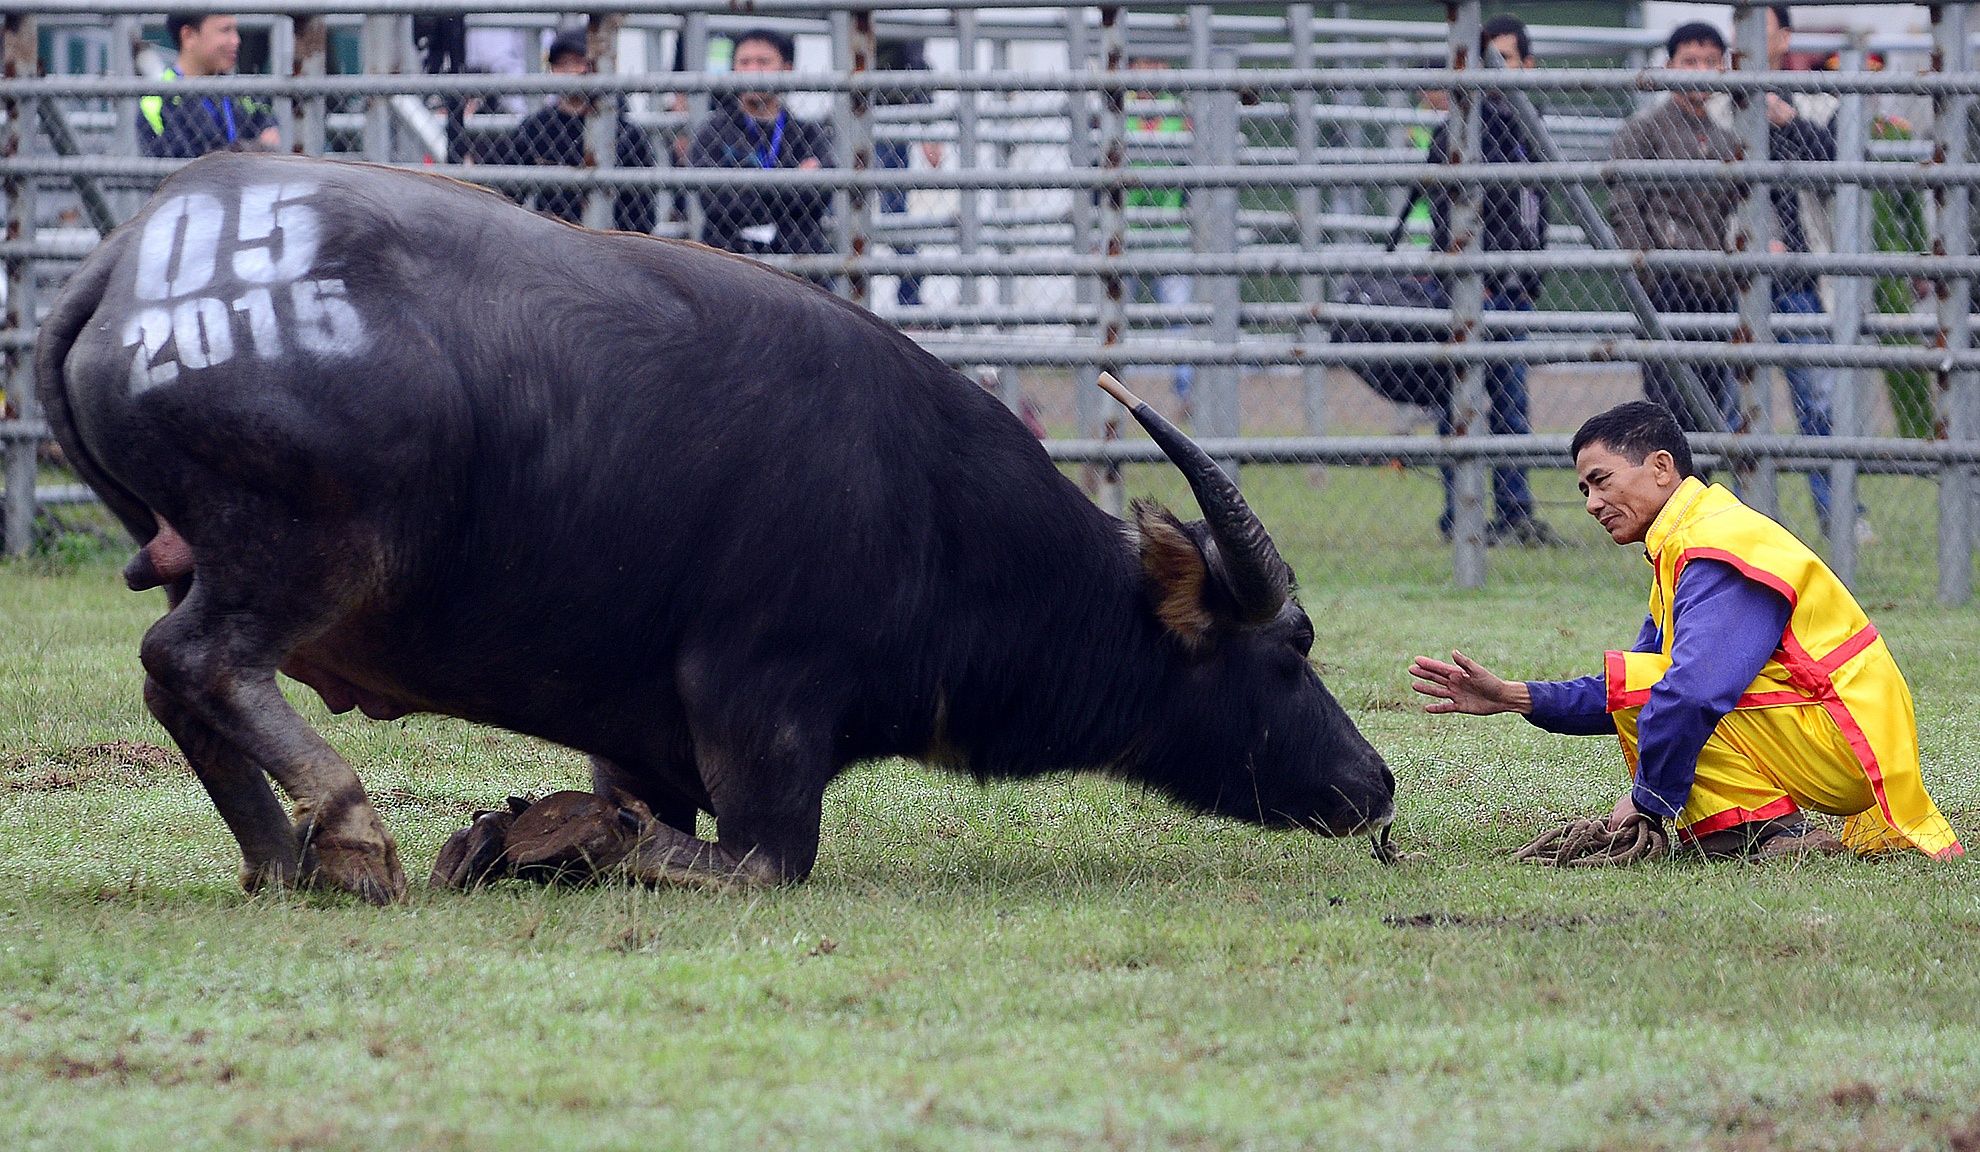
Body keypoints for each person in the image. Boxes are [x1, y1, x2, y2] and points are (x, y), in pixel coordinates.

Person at [1408, 401, 1963, 861]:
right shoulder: (1683, 544)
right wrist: (1516, 697)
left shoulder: (1717, 545)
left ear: (1660, 467)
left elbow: (1691, 690)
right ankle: (1759, 832)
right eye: (1583, 491)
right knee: (1654, 682)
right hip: (1834, 737)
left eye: (1600, 481)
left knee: (1674, 689)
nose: (1592, 504)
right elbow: (1632, 687)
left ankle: (1757, 833)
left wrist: (1649, 801)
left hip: (1847, 748)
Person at [1424, 15, 1555, 546]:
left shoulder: (1530, 127)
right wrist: (1467, 277)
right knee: (1460, 402)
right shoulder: (1458, 129)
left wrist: (1531, 277)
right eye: (1490, 59)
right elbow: (1442, 210)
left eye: (1508, 58)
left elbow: (1536, 213)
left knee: (1511, 406)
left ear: (1528, 64)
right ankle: (1463, 516)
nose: (1499, 70)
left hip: (1514, 290)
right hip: (1472, 290)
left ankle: (1514, 513)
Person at [1608, 23, 1745, 433]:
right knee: (1668, 414)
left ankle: (1698, 496)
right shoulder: (1643, 131)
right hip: (1668, 287)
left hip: (1716, 291)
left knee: (1711, 412)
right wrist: (1648, 277)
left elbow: (1739, 209)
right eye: (1689, 61)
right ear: (1669, 67)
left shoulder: (1728, 140)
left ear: (1723, 68)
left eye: (1709, 62)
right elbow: (1624, 207)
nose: (1699, 71)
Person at [688, 28, 835, 259]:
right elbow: (720, 205)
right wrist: (791, 183)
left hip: (798, 257)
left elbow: (819, 198)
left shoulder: (807, 132)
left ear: (787, 69)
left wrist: (748, 185)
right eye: (744, 62)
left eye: (763, 62)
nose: (753, 71)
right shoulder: (713, 130)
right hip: (729, 258)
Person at [499, 29, 658, 234]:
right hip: (550, 241)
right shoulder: (535, 128)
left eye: (577, 62)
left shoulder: (626, 133)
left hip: (613, 246)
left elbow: (642, 212)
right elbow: (507, 197)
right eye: (562, 64)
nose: (570, 71)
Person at [140, 12, 280, 158]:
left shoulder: (243, 92)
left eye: (235, 30)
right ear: (188, 36)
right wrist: (250, 148)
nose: (236, 40)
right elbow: (180, 167)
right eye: (225, 30)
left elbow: (271, 137)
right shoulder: (155, 101)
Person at [875, 38, 944, 307]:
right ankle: (910, 298)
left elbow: (916, 63)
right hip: (872, 111)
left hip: (887, 115)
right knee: (887, 213)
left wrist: (927, 128)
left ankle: (910, 298)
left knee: (892, 215)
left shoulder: (901, 25)